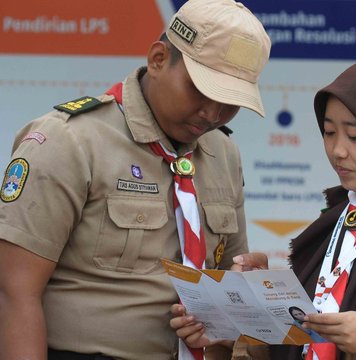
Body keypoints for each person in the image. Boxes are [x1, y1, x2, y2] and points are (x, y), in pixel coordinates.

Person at [0, 0, 271, 359]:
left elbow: (227, 283)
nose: (212, 113)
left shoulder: (223, 153)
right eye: (201, 90)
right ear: (158, 59)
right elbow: (13, 293)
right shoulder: (69, 141)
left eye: (230, 101)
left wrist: (246, 286)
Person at [170, 57, 356, 359]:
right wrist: (250, 317)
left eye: (355, 136)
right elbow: (299, 341)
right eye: (329, 132)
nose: (338, 151)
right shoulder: (335, 225)